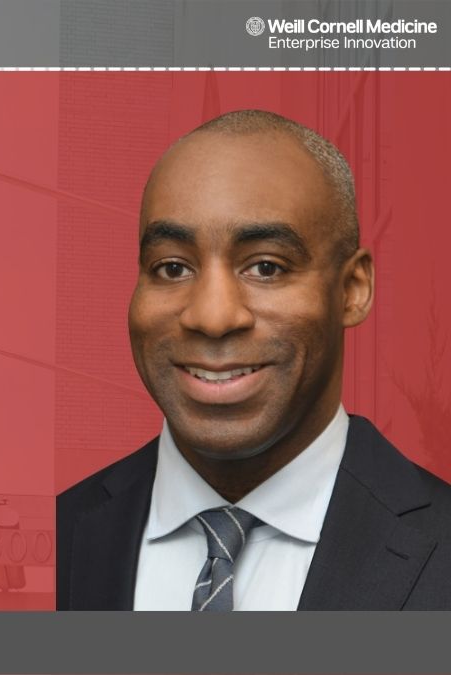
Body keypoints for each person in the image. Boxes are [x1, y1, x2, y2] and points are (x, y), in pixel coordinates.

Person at [56, 110, 451, 611]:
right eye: (172, 267)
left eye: (266, 267)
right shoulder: (59, 536)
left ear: (352, 290)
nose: (213, 316)